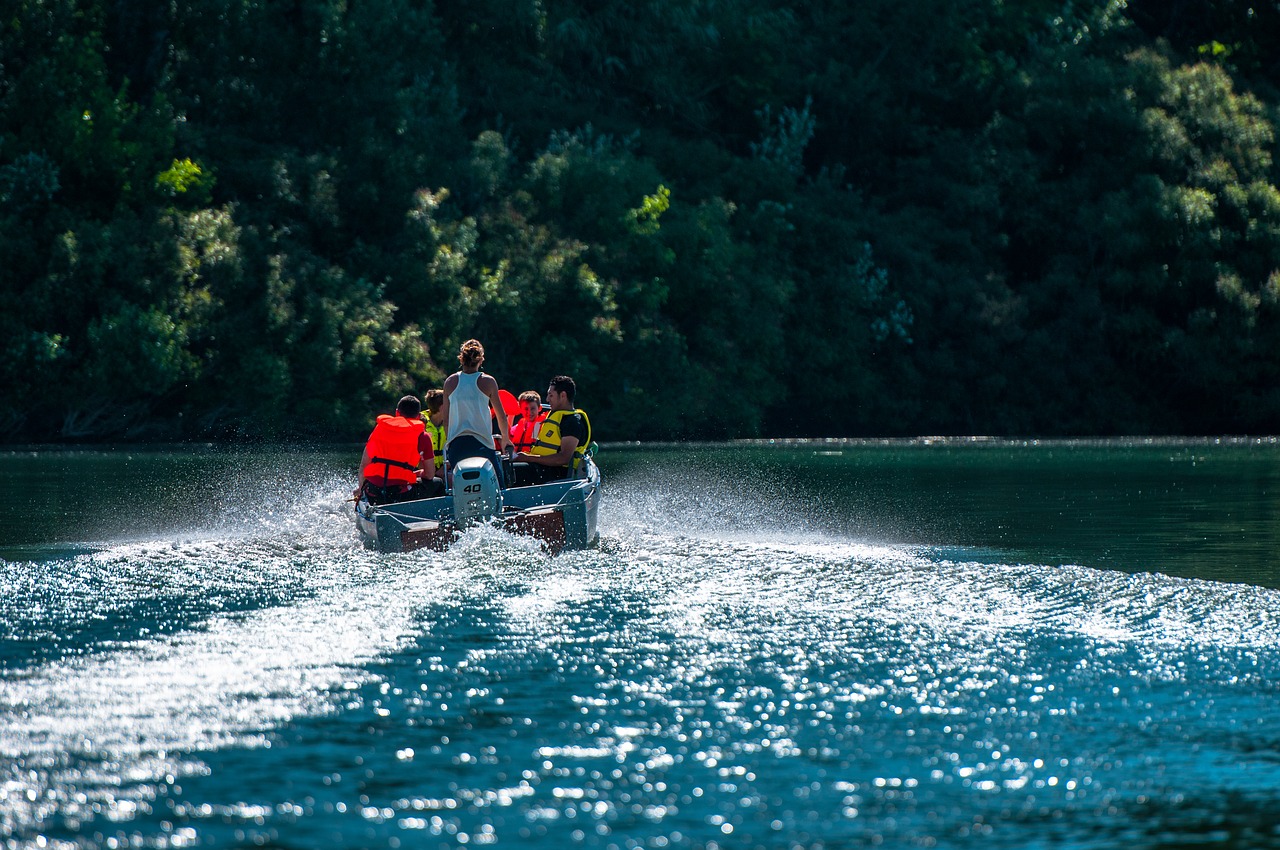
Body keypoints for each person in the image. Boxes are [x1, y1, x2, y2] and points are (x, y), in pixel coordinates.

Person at [439, 339, 514, 487]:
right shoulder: (488, 381)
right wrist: (505, 439)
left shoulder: (450, 382)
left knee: (463, 487)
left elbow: (446, 420)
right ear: (481, 359)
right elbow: (501, 416)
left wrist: (450, 442)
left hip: (457, 445)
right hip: (481, 443)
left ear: (462, 358)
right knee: (497, 487)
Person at [356, 395, 445, 504]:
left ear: (397, 412)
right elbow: (429, 475)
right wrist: (416, 474)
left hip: (373, 493)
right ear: (418, 416)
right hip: (401, 495)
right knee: (438, 483)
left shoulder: (379, 429)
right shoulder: (423, 436)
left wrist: (361, 490)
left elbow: (363, 468)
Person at [513, 375, 590, 485]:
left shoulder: (572, 422)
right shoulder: (555, 416)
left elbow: (564, 458)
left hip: (557, 473)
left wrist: (530, 458)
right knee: (503, 467)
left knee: (509, 472)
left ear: (563, 395)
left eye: (551, 395)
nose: (547, 399)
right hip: (542, 468)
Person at [422, 388, 447, 476]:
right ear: (442, 407)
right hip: (423, 470)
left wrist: (442, 471)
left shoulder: (452, 422)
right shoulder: (421, 422)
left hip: (445, 469)